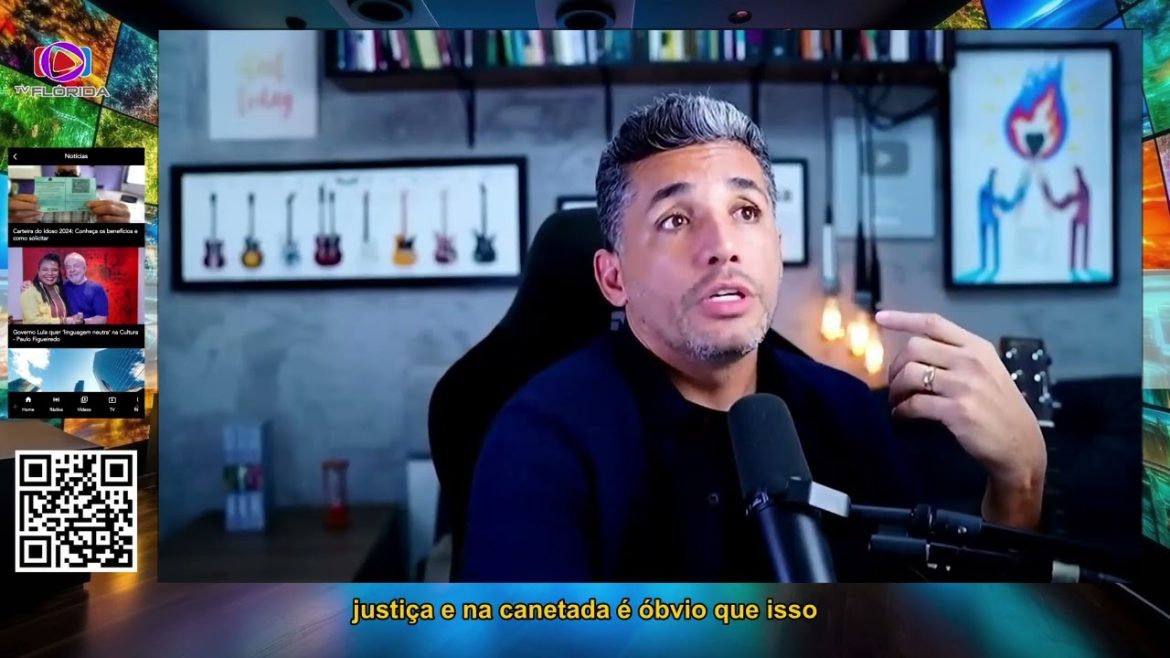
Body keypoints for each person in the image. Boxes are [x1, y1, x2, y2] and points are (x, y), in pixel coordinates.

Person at [459, 93, 1047, 582]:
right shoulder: (541, 438)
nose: (723, 246)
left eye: (745, 211)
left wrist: (1019, 485)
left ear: (777, 246)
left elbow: (927, 628)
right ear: (614, 278)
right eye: (676, 219)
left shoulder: (845, 410)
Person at [960, 167, 1030, 284]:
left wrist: (1016, 200)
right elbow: (989, 201)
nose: (999, 180)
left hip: (994, 218)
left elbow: (1006, 205)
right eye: (997, 177)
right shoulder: (985, 189)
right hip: (985, 218)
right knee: (984, 241)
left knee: (996, 240)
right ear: (992, 177)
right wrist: (995, 208)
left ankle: (996, 266)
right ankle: (984, 265)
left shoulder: (998, 193)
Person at [8, 165, 131, 223]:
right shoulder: (40, 198)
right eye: (61, 171)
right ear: (55, 175)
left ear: (79, 175)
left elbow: (103, 220)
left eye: (72, 172)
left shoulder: (93, 200)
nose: (67, 175)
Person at [19, 252, 110, 324]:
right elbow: (32, 320)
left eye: (76, 266)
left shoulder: (97, 289)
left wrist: (81, 322)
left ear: (84, 268)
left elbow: (102, 319)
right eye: (68, 267)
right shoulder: (63, 287)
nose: (72, 270)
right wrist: (27, 285)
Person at [1040, 166, 1091, 280]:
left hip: (1082, 217)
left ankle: (1079, 266)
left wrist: (1048, 192)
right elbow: (1061, 204)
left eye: (1075, 176)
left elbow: (1062, 204)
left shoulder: (1083, 189)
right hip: (1080, 217)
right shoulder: (1082, 189)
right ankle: (1075, 266)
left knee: (1078, 234)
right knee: (1075, 232)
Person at [19, 253, 79, 325]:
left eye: (54, 270)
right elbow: (32, 321)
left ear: (58, 272)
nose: (50, 273)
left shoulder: (59, 289)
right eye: (45, 269)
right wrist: (63, 321)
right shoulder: (29, 292)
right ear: (39, 272)